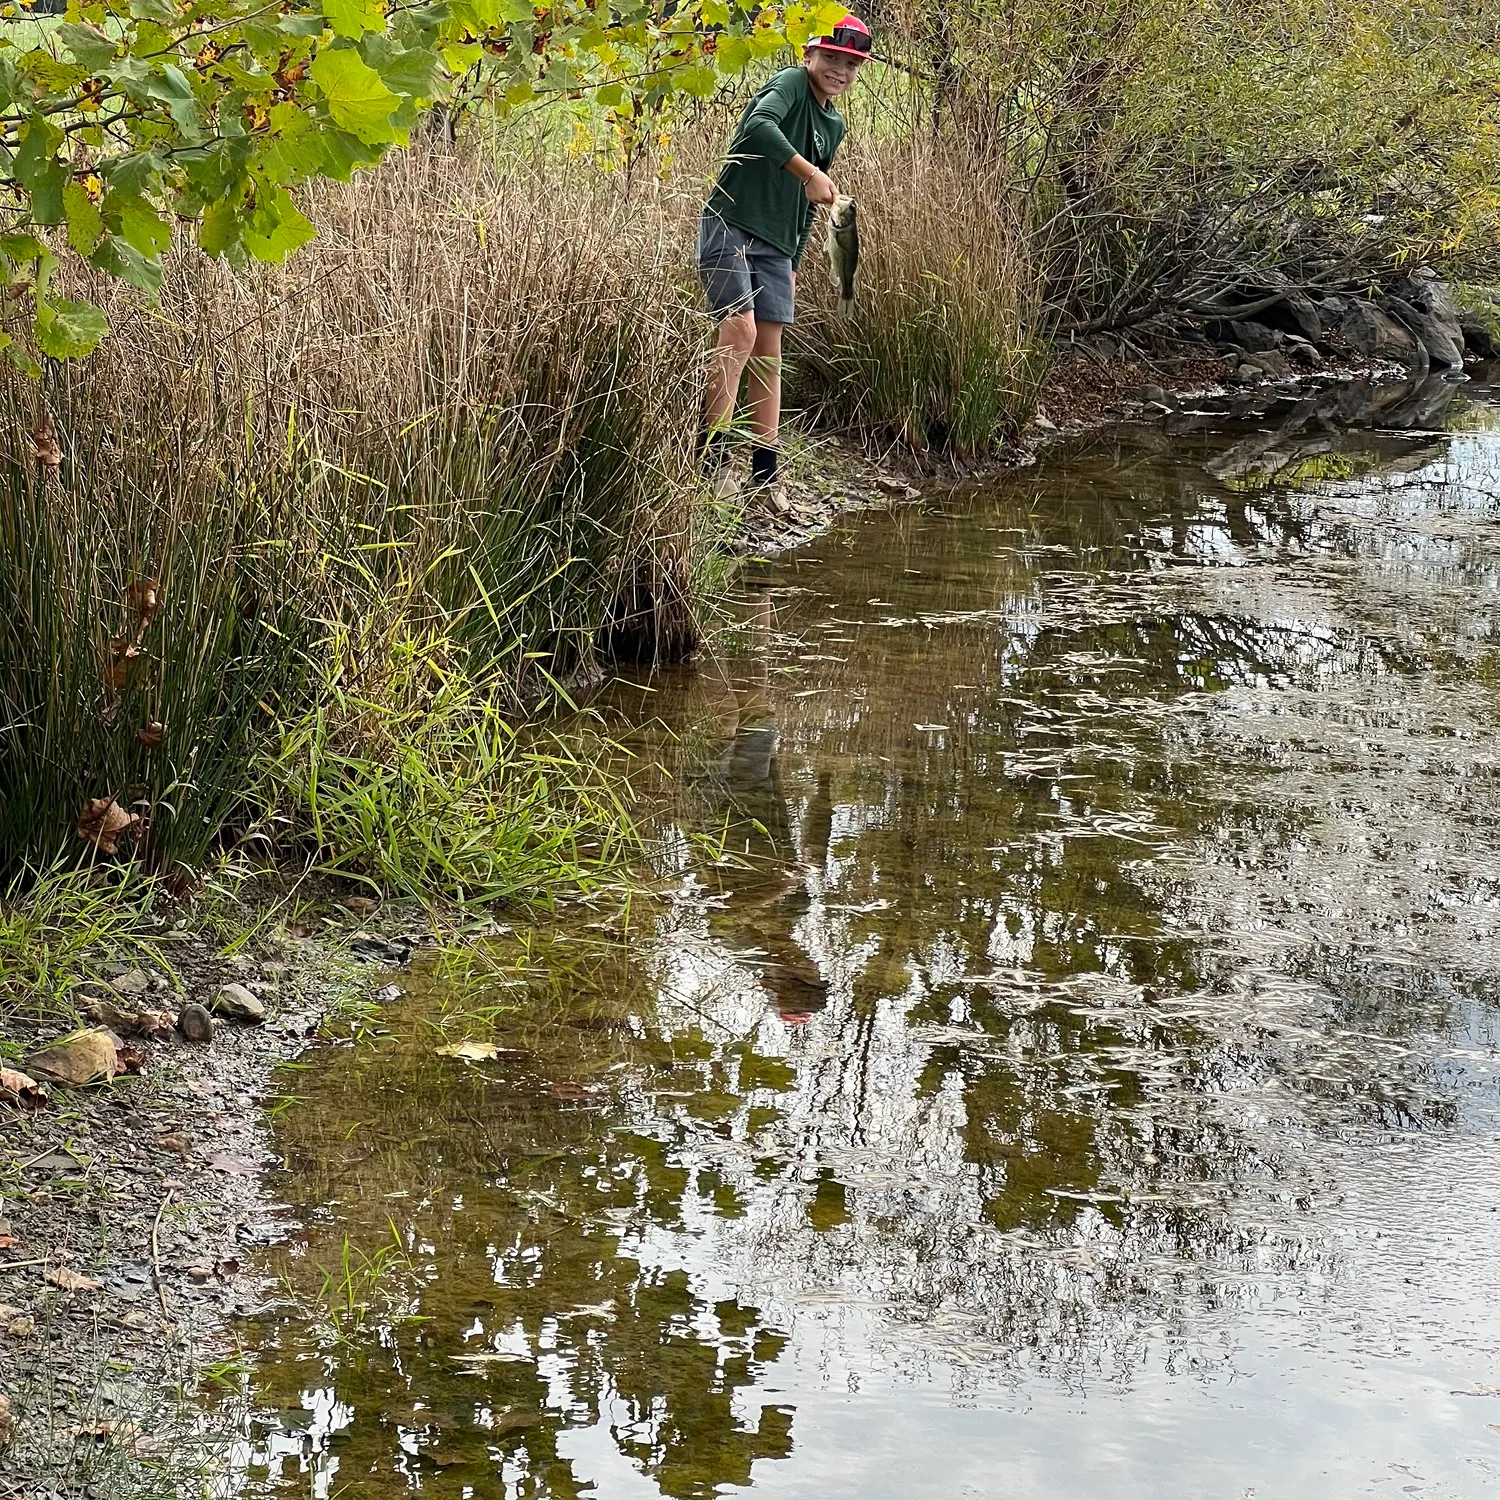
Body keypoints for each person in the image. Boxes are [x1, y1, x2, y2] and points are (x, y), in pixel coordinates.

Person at [696, 15, 872, 508]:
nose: (839, 70)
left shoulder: (832, 122)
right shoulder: (792, 84)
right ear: (809, 56)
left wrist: (795, 258)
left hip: (778, 245)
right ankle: (712, 463)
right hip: (730, 224)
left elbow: (812, 202)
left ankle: (765, 474)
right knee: (741, 330)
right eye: (831, 58)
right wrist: (808, 170)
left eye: (850, 64)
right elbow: (757, 127)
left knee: (769, 351)